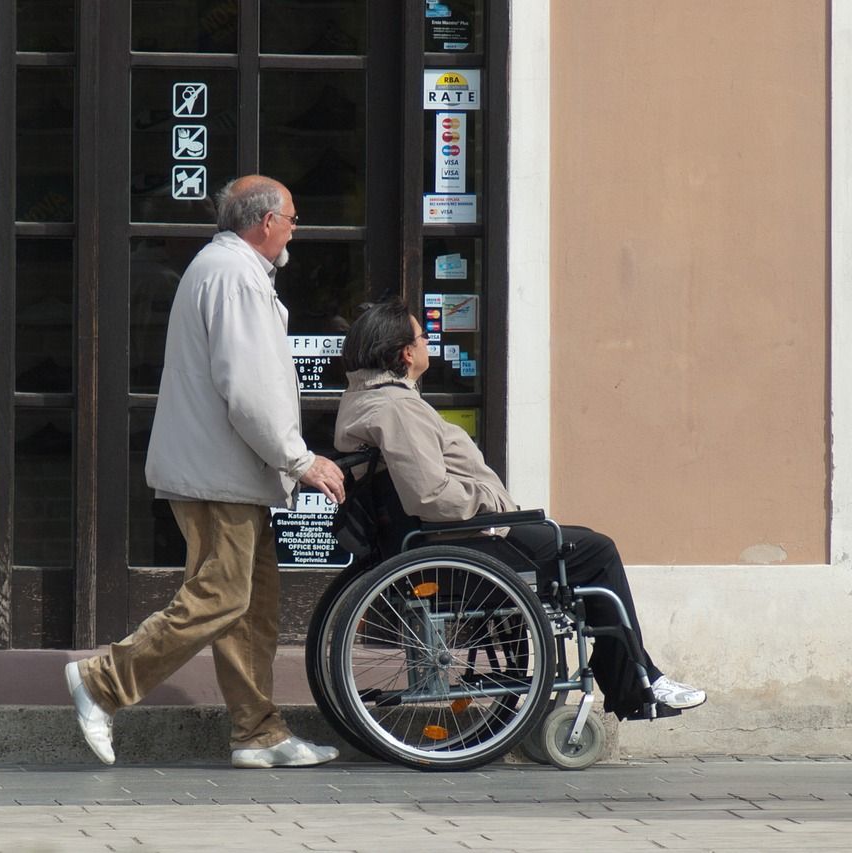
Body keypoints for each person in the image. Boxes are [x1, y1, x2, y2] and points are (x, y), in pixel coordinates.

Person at [65, 175, 348, 768]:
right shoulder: (235, 275)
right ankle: (102, 681)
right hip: (220, 474)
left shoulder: (228, 270)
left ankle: (258, 733)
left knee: (251, 606)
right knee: (221, 597)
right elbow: (250, 390)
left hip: (228, 472)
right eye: (292, 218)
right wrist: (300, 459)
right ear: (265, 221)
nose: (296, 229)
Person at [332, 299, 706, 721]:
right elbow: (430, 496)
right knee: (596, 551)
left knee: (580, 543)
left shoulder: (367, 400)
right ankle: (636, 678)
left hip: (451, 539)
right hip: (463, 541)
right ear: (405, 353)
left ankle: (631, 673)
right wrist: (491, 503)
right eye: (422, 336)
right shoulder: (397, 409)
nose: (427, 343)